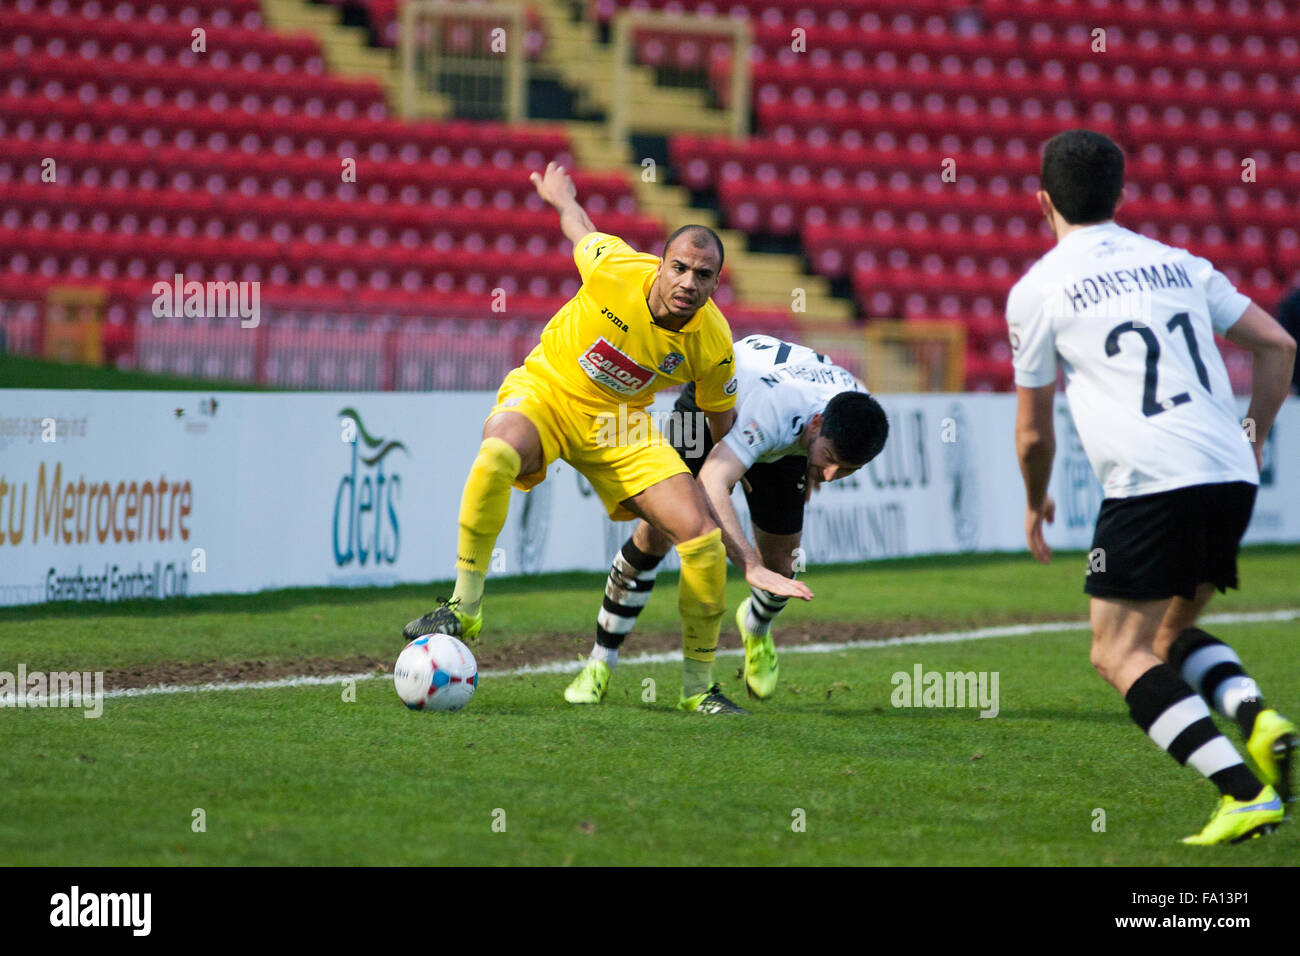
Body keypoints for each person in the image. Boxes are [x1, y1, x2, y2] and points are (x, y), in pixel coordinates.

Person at [403, 162, 806, 715]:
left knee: (702, 542)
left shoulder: (713, 343)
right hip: (548, 392)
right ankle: (466, 606)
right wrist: (560, 195)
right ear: (661, 266)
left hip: (621, 425)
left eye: (704, 275)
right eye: (681, 268)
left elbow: (723, 434)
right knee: (496, 454)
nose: (689, 282)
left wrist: (740, 513)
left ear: (717, 281)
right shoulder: (614, 268)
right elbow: (579, 226)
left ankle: (696, 689)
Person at [1008, 129, 1297, 845]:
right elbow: (1279, 344)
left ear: (1043, 202)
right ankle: (1260, 716)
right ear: (1121, 195)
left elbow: (1034, 433)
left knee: (1116, 652)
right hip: (1228, 472)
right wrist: (1252, 439)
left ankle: (1244, 792)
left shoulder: (1038, 288)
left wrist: (1034, 500)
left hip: (1151, 485)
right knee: (1171, 633)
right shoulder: (1179, 262)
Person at [564, 333, 888, 705]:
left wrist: (816, 465)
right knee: (656, 534)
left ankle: (756, 627)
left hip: (782, 442)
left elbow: (827, 457)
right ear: (816, 425)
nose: (831, 476)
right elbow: (713, 482)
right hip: (710, 411)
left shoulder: (857, 409)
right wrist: (749, 564)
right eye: (829, 459)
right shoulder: (776, 409)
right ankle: (600, 662)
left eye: (845, 470)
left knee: (782, 566)